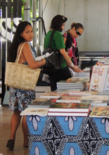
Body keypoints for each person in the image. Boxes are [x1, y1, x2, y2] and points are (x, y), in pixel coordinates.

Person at [6, 21, 46, 150]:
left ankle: (11, 138)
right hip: (25, 85)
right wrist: (43, 61)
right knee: (26, 113)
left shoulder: (17, 46)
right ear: (21, 34)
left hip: (16, 84)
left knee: (16, 112)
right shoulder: (26, 46)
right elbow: (32, 65)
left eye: (31, 31)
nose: (30, 34)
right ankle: (25, 141)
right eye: (27, 32)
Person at [44, 15, 82, 91]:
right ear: (58, 24)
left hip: (51, 67)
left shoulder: (48, 34)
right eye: (63, 25)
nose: (63, 27)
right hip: (60, 67)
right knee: (69, 90)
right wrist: (72, 66)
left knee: (54, 91)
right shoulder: (57, 34)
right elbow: (63, 52)